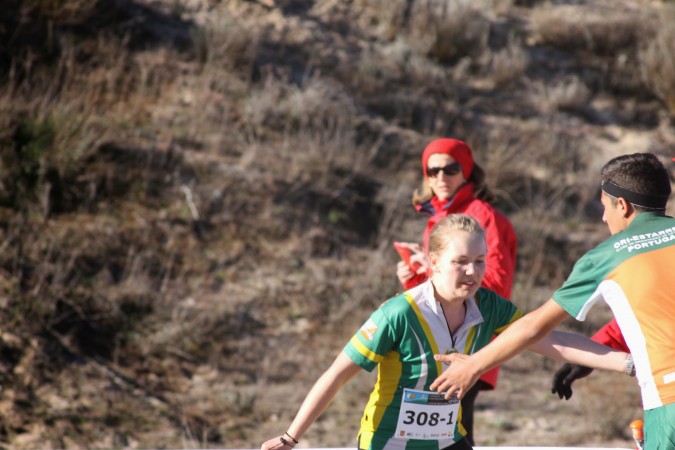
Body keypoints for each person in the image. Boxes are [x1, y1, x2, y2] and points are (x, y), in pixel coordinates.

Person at [261, 215, 629, 450]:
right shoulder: (399, 313)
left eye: (480, 261)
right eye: (460, 262)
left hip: (448, 441)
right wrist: (291, 437)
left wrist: (632, 363)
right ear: (434, 262)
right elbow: (337, 375)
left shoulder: (490, 306)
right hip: (388, 444)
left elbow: (553, 341)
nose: (472, 272)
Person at [429, 153, 675, 450]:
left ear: (622, 205)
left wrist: (472, 367)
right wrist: (600, 354)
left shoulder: (608, 255)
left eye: (604, 206)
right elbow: (656, 308)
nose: (603, 218)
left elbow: (535, 326)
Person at [395, 138, 517, 444]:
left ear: (467, 172)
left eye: (450, 169)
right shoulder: (438, 217)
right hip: (437, 342)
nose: (440, 177)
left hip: (470, 345)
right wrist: (415, 277)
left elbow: (494, 283)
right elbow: (439, 288)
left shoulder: (481, 215)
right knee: (433, 437)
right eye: (432, 171)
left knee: (453, 437)